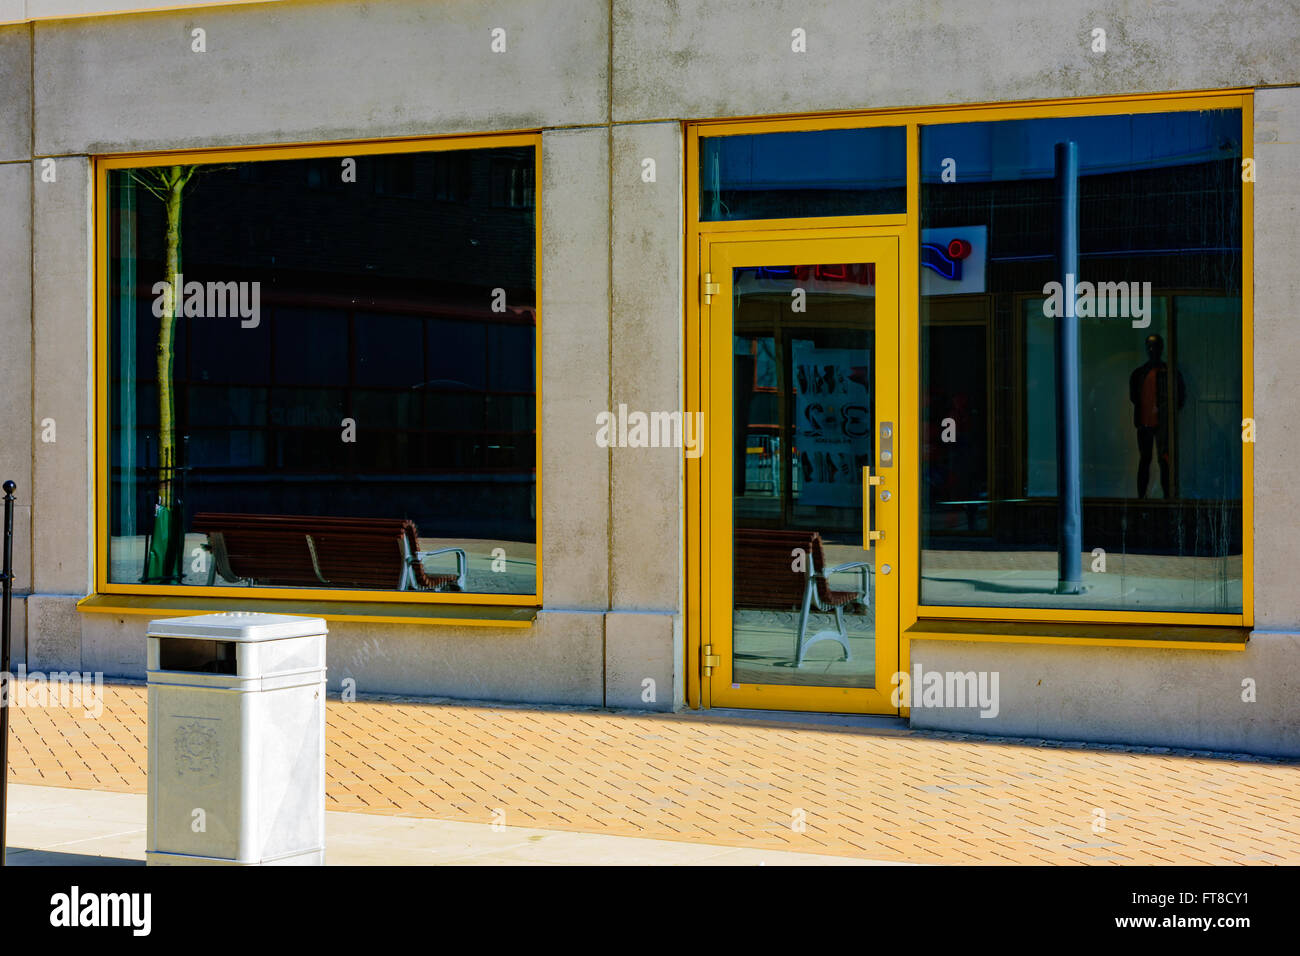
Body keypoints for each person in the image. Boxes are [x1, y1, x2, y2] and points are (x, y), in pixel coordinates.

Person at [1128, 334, 1185, 499]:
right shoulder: (1139, 374)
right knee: (1146, 460)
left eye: (1156, 347)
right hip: (1146, 424)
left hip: (1162, 424)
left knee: (1163, 460)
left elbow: (1180, 398)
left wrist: (1166, 414)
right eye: (1150, 347)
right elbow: (1134, 397)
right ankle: (1143, 497)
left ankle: (1167, 496)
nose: (1153, 350)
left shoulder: (1168, 373)